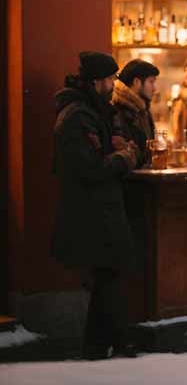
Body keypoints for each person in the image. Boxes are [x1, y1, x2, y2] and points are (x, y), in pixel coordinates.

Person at [51, 52, 139, 360]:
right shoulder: (77, 116)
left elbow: (103, 145)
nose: (115, 84)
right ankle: (117, 342)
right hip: (92, 210)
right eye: (111, 79)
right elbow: (89, 169)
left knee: (108, 275)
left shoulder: (94, 110)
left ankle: (98, 345)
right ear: (97, 81)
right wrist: (123, 158)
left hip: (101, 208)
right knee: (109, 275)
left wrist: (118, 142)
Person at [112, 59, 159, 168]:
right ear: (137, 82)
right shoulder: (117, 111)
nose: (154, 88)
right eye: (151, 82)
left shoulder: (143, 110)